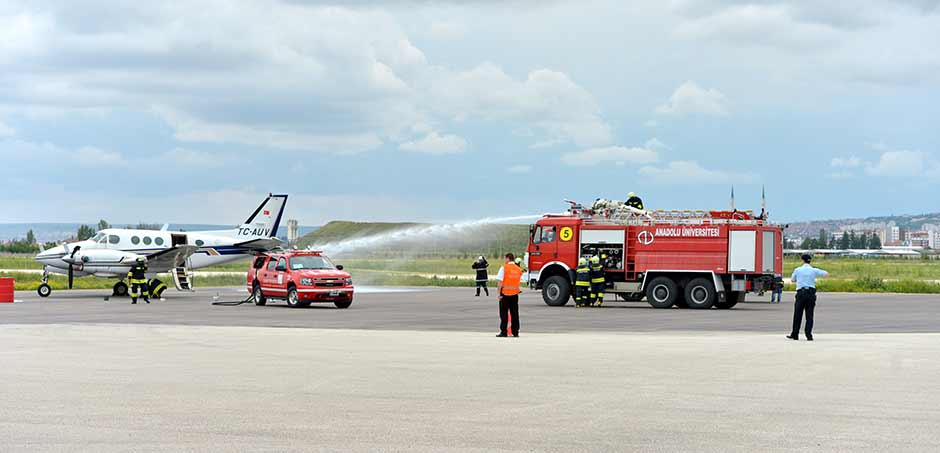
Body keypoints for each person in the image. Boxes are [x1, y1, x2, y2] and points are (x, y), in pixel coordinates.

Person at [788, 254, 829, 341]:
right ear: (810, 261)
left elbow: (792, 280)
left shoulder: (798, 270)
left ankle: (795, 334)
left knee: (797, 315)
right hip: (811, 294)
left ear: (802, 260)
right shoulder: (814, 270)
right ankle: (808, 335)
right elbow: (826, 274)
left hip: (801, 293)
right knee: (809, 315)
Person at [495, 253, 523, 337]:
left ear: (508, 258)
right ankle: (515, 332)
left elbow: (500, 282)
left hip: (505, 294)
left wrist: (498, 293)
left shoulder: (504, 268)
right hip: (515, 294)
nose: (504, 260)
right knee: (514, 313)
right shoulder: (518, 269)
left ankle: (504, 332)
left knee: (504, 314)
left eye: (505, 258)